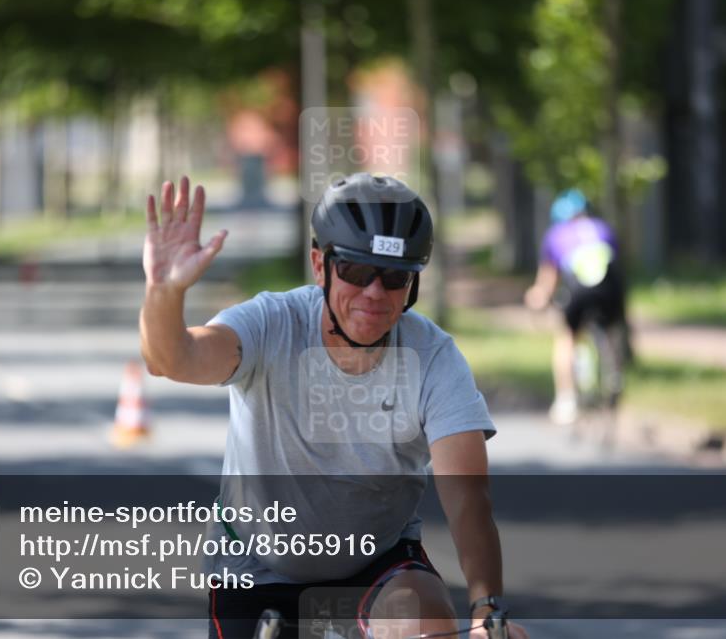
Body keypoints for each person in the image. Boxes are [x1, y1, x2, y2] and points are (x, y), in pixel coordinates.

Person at [140, 174, 528, 639]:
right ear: (320, 265)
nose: (374, 294)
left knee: (420, 617)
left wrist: (487, 612)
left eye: (394, 277)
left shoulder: (433, 356)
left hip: (378, 567)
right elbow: (172, 359)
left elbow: (468, 497)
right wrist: (164, 293)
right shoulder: (271, 324)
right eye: (357, 272)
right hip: (256, 569)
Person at [523, 188, 627, 424]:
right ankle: (614, 372)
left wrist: (537, 297)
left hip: (579, 290)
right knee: (611, 328)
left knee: (566, 337)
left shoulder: (555, 234)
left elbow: (547, 283)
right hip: (611, 287)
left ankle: (567, 400)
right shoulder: (604, 228)